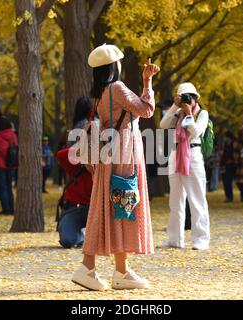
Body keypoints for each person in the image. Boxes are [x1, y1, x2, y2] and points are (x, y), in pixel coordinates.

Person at [71, 44, 160, 291]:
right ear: (114, 66)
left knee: (107, 207)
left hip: (109, 154)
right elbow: (146, 109)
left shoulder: (100, 94)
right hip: (124, 151)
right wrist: (147, 83)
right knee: (124, 203)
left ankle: (90, 267)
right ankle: (120, 272)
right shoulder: (117, 88)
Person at [159, 82, 210, 250]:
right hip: (175, 155)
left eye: (190, 97)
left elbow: (196, 133)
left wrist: (189, 115)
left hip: (193, 155)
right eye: (183, 98)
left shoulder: (202, 113)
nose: (188, 100)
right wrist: (175, 106)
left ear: (196, 98)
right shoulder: (177, 112)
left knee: (196, 199)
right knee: (175, 201)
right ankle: (175, 240)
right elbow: (163, 124)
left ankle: (200, 240)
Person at [56, 148, 93, 248]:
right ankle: (81, 236)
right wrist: (84, 149)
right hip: (73, 209)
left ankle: (90, 236)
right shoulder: (77, 167)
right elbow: (60, 154)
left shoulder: (105, 170)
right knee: (67, 241)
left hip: (95, 212)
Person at [0, 117, 18, 215]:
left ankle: (5, 209)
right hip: (11, 165)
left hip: (0, 165)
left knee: (2, 188)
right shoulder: (13, 135)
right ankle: (11, 209)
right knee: (9, 187)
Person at [220, 131, 237, 202]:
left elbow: (235, 153)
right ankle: (229, 196)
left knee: (238, 181)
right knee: (226, 181)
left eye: (225, 137)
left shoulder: (234, 144)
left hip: (233, 164)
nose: (224, 138)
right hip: (226, 165)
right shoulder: (225, 144)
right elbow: (223, 155)